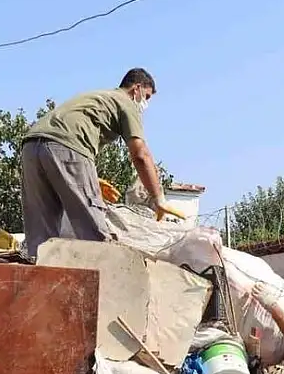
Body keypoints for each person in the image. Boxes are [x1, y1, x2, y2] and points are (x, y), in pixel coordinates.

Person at [20, 68, 184, 257]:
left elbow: (66, 135)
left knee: (41, 241)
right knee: (95, 237)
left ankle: (38, 281)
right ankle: (103, 281)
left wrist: (87, 176)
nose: (145, 104)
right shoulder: (126, 103)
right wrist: (158, 198)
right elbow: (140, 154)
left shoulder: (98, 97)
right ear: (136, 89)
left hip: (31, 146)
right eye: (146, 97)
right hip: (68, 147)